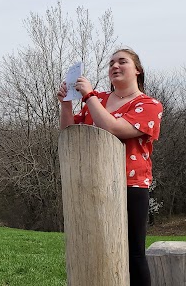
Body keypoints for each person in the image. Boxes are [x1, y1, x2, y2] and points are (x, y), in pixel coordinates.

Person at [57, 48, 163, 286]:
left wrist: (88, 96)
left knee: (133, 252)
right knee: (96, 247)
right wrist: (66, 104)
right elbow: (69, 133)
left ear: (137, 70)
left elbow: (114, 129)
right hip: (92, 183)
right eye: (111, 63)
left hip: (131, 185)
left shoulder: (149, 105)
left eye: (122, 62)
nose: (114, 66)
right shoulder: (99, 100)